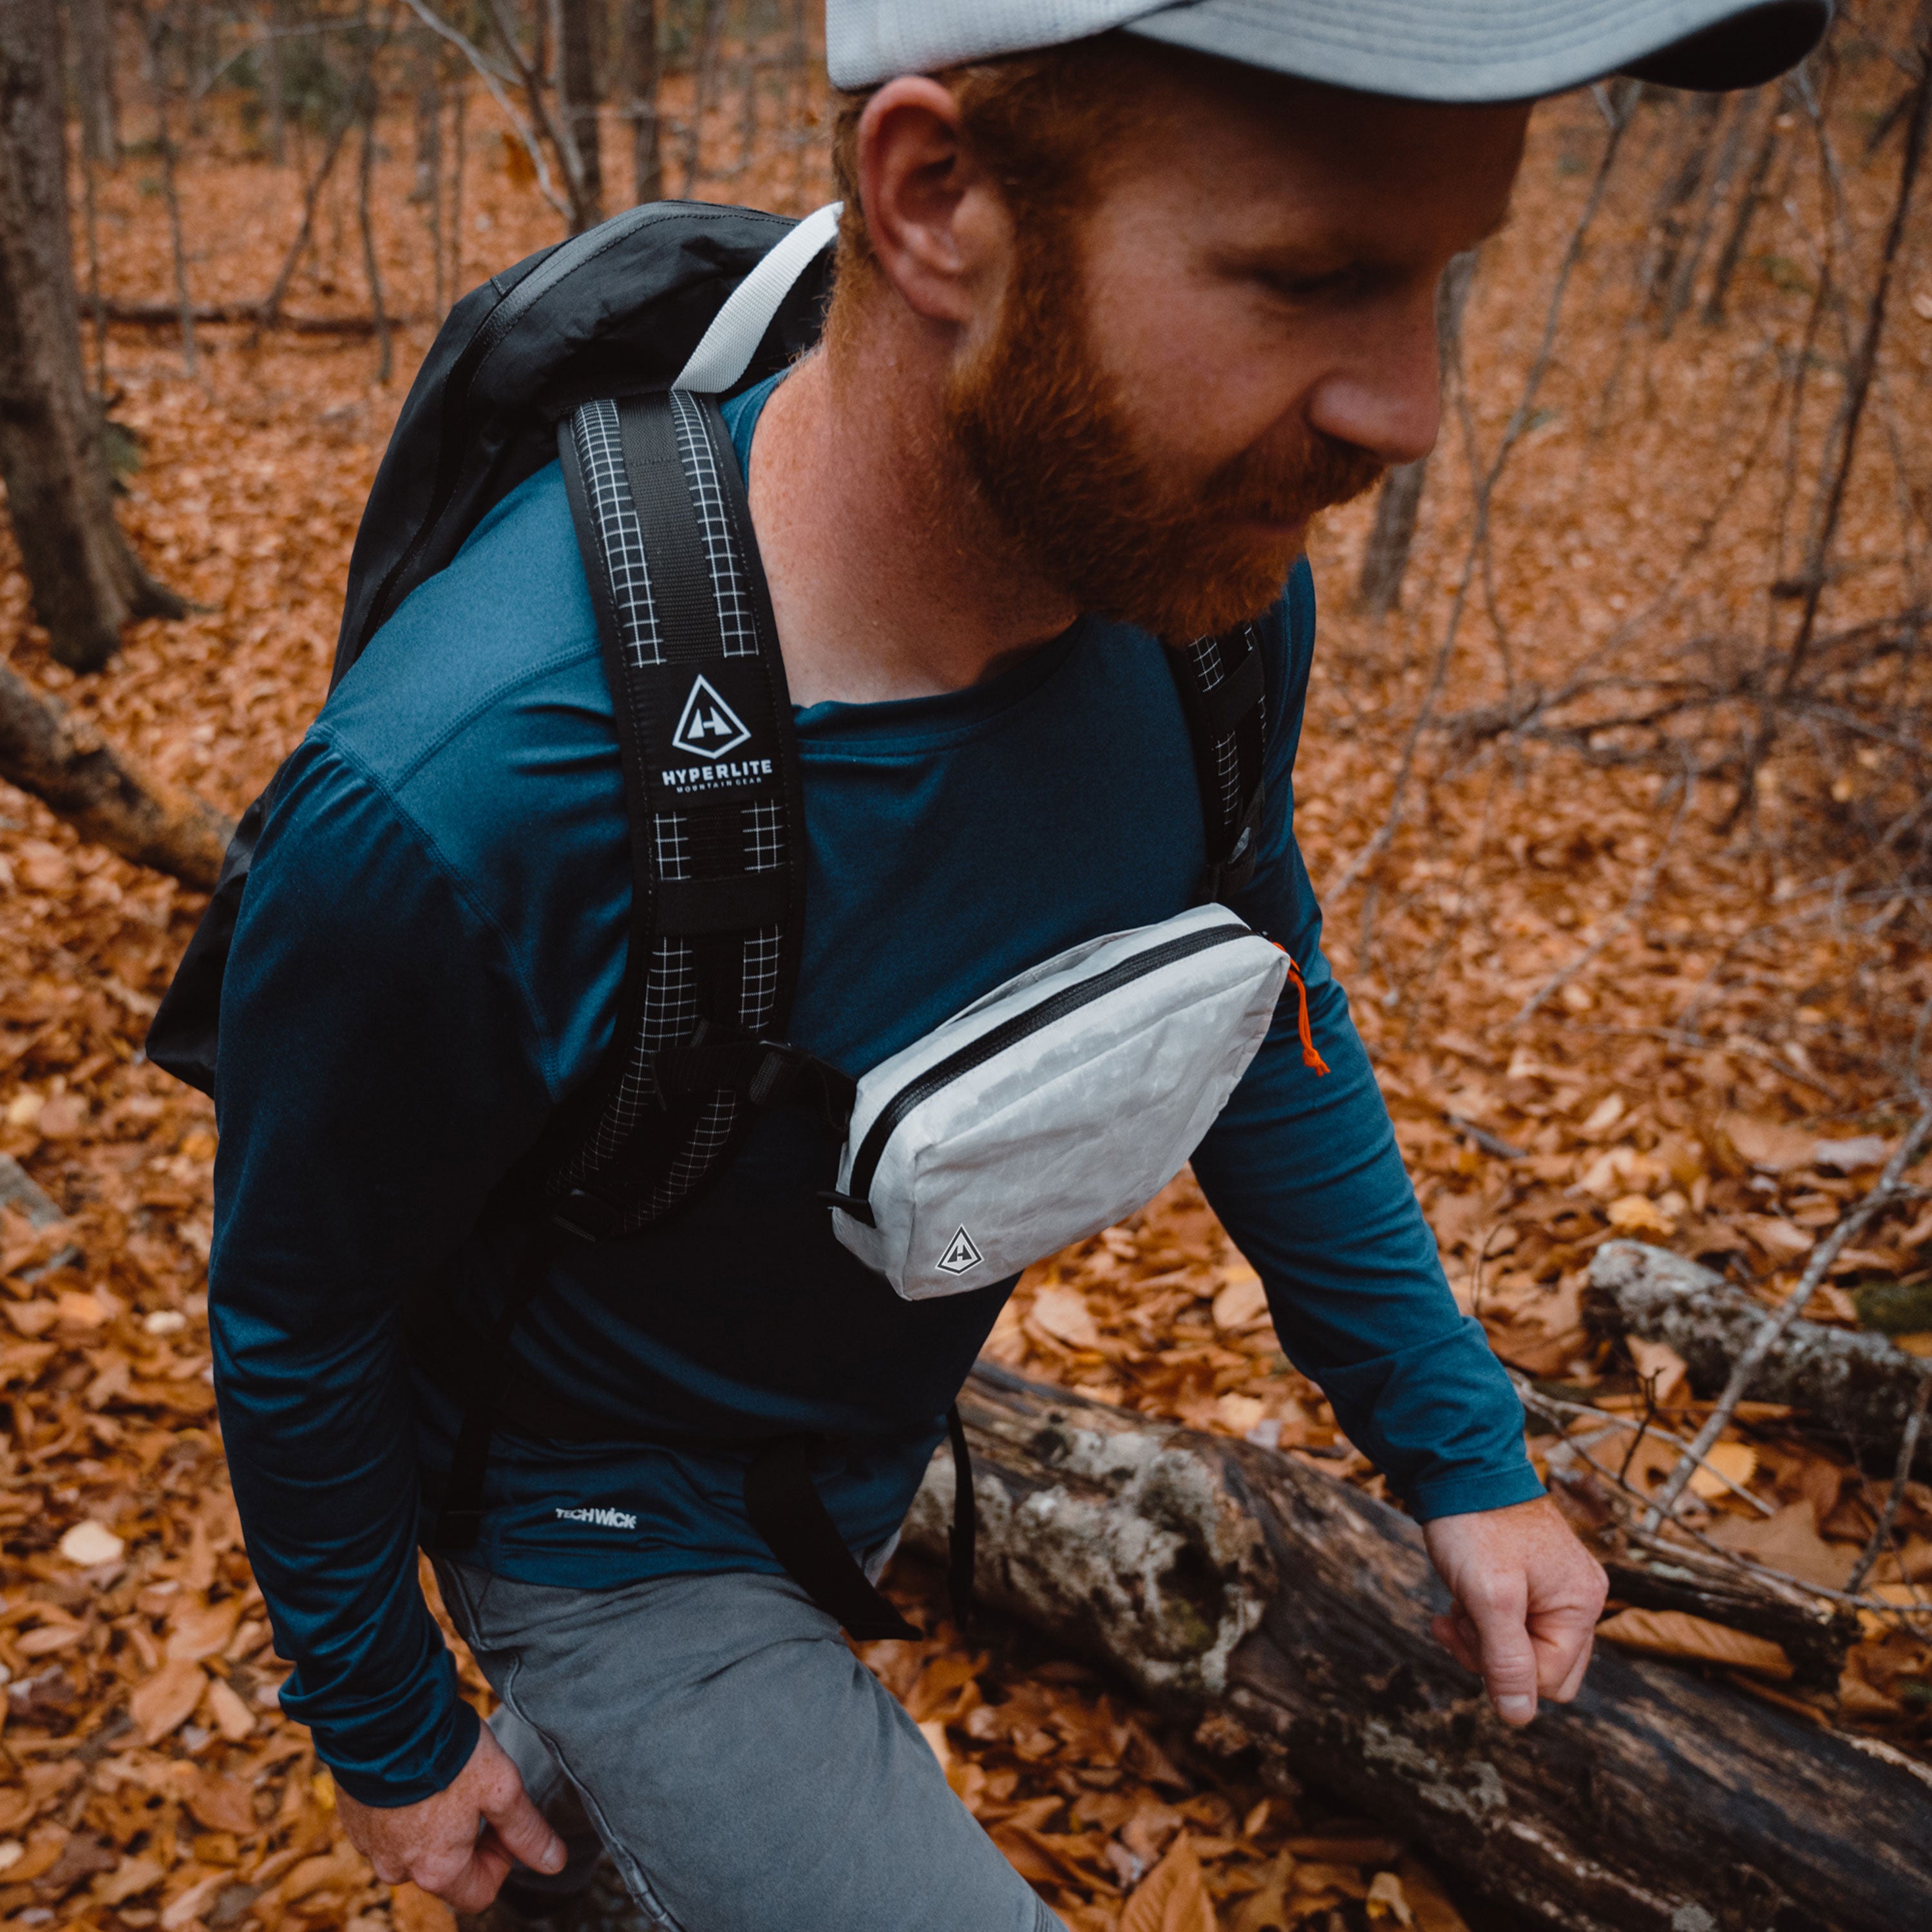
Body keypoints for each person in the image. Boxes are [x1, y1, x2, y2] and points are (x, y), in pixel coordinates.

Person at [205, 3, 1829, 1928]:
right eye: (1310, 279)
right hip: (602, 1527)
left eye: (1436, 284)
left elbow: (1257, 980)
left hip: (870, 1449)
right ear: (935, 201)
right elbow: (297, 1314)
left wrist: (1459, 1451)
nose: (1409, 408)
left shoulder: (1202, 610)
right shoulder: (468, 799)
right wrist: (394, 1739)